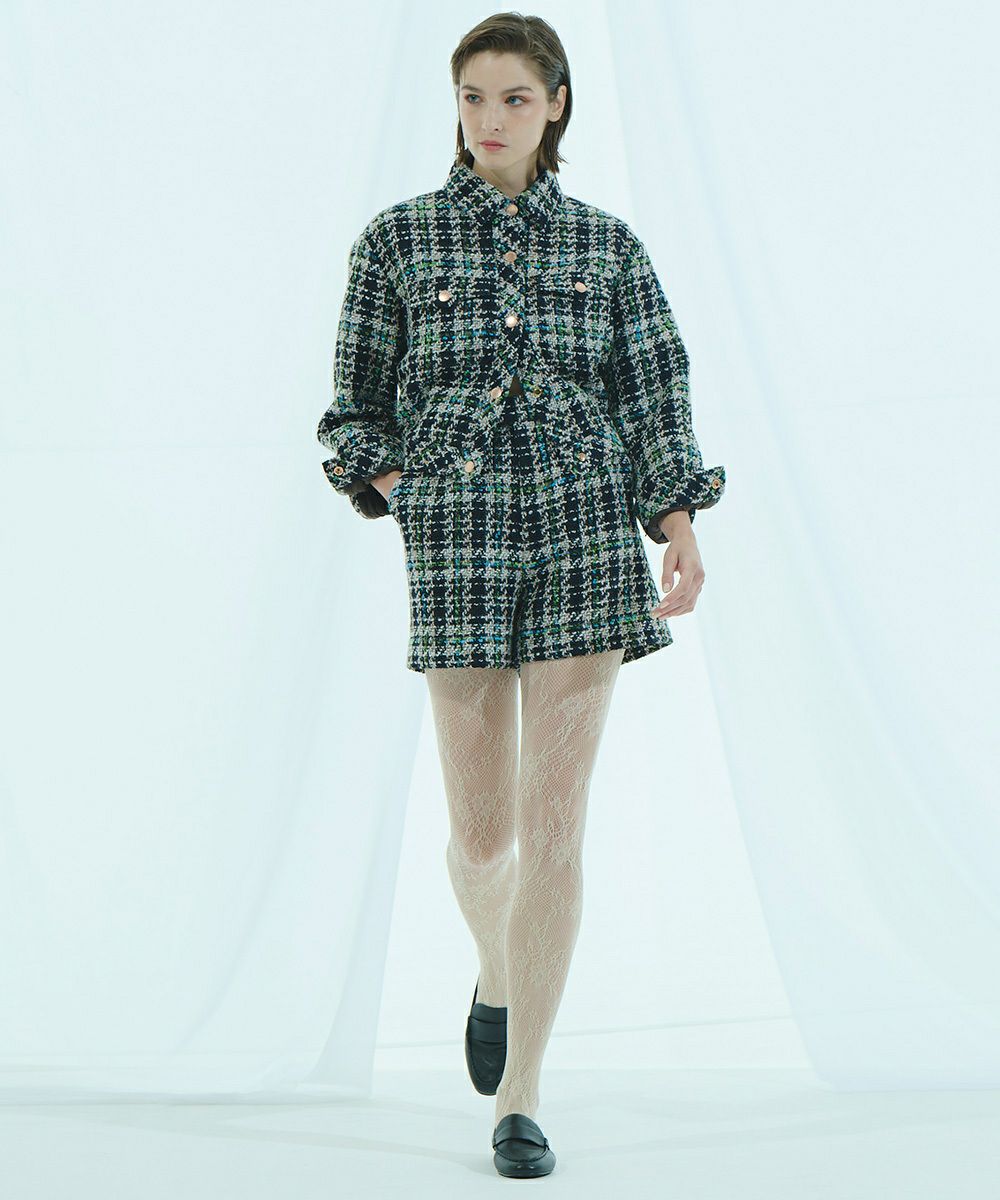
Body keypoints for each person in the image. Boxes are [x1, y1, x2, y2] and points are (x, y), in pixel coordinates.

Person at [316, 12, 726, 1179]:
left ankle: (521, 1094)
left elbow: (653, 393)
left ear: (555, 103)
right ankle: (497, 967)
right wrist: (403, 486)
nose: (489, 119)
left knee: (553, 828)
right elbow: (352, 407)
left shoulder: (608, 247)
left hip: (583, 529)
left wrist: (677, 522)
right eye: (472, 98)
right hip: (458, 540)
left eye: (512, 98)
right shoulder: (396, 241)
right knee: (484, 833)